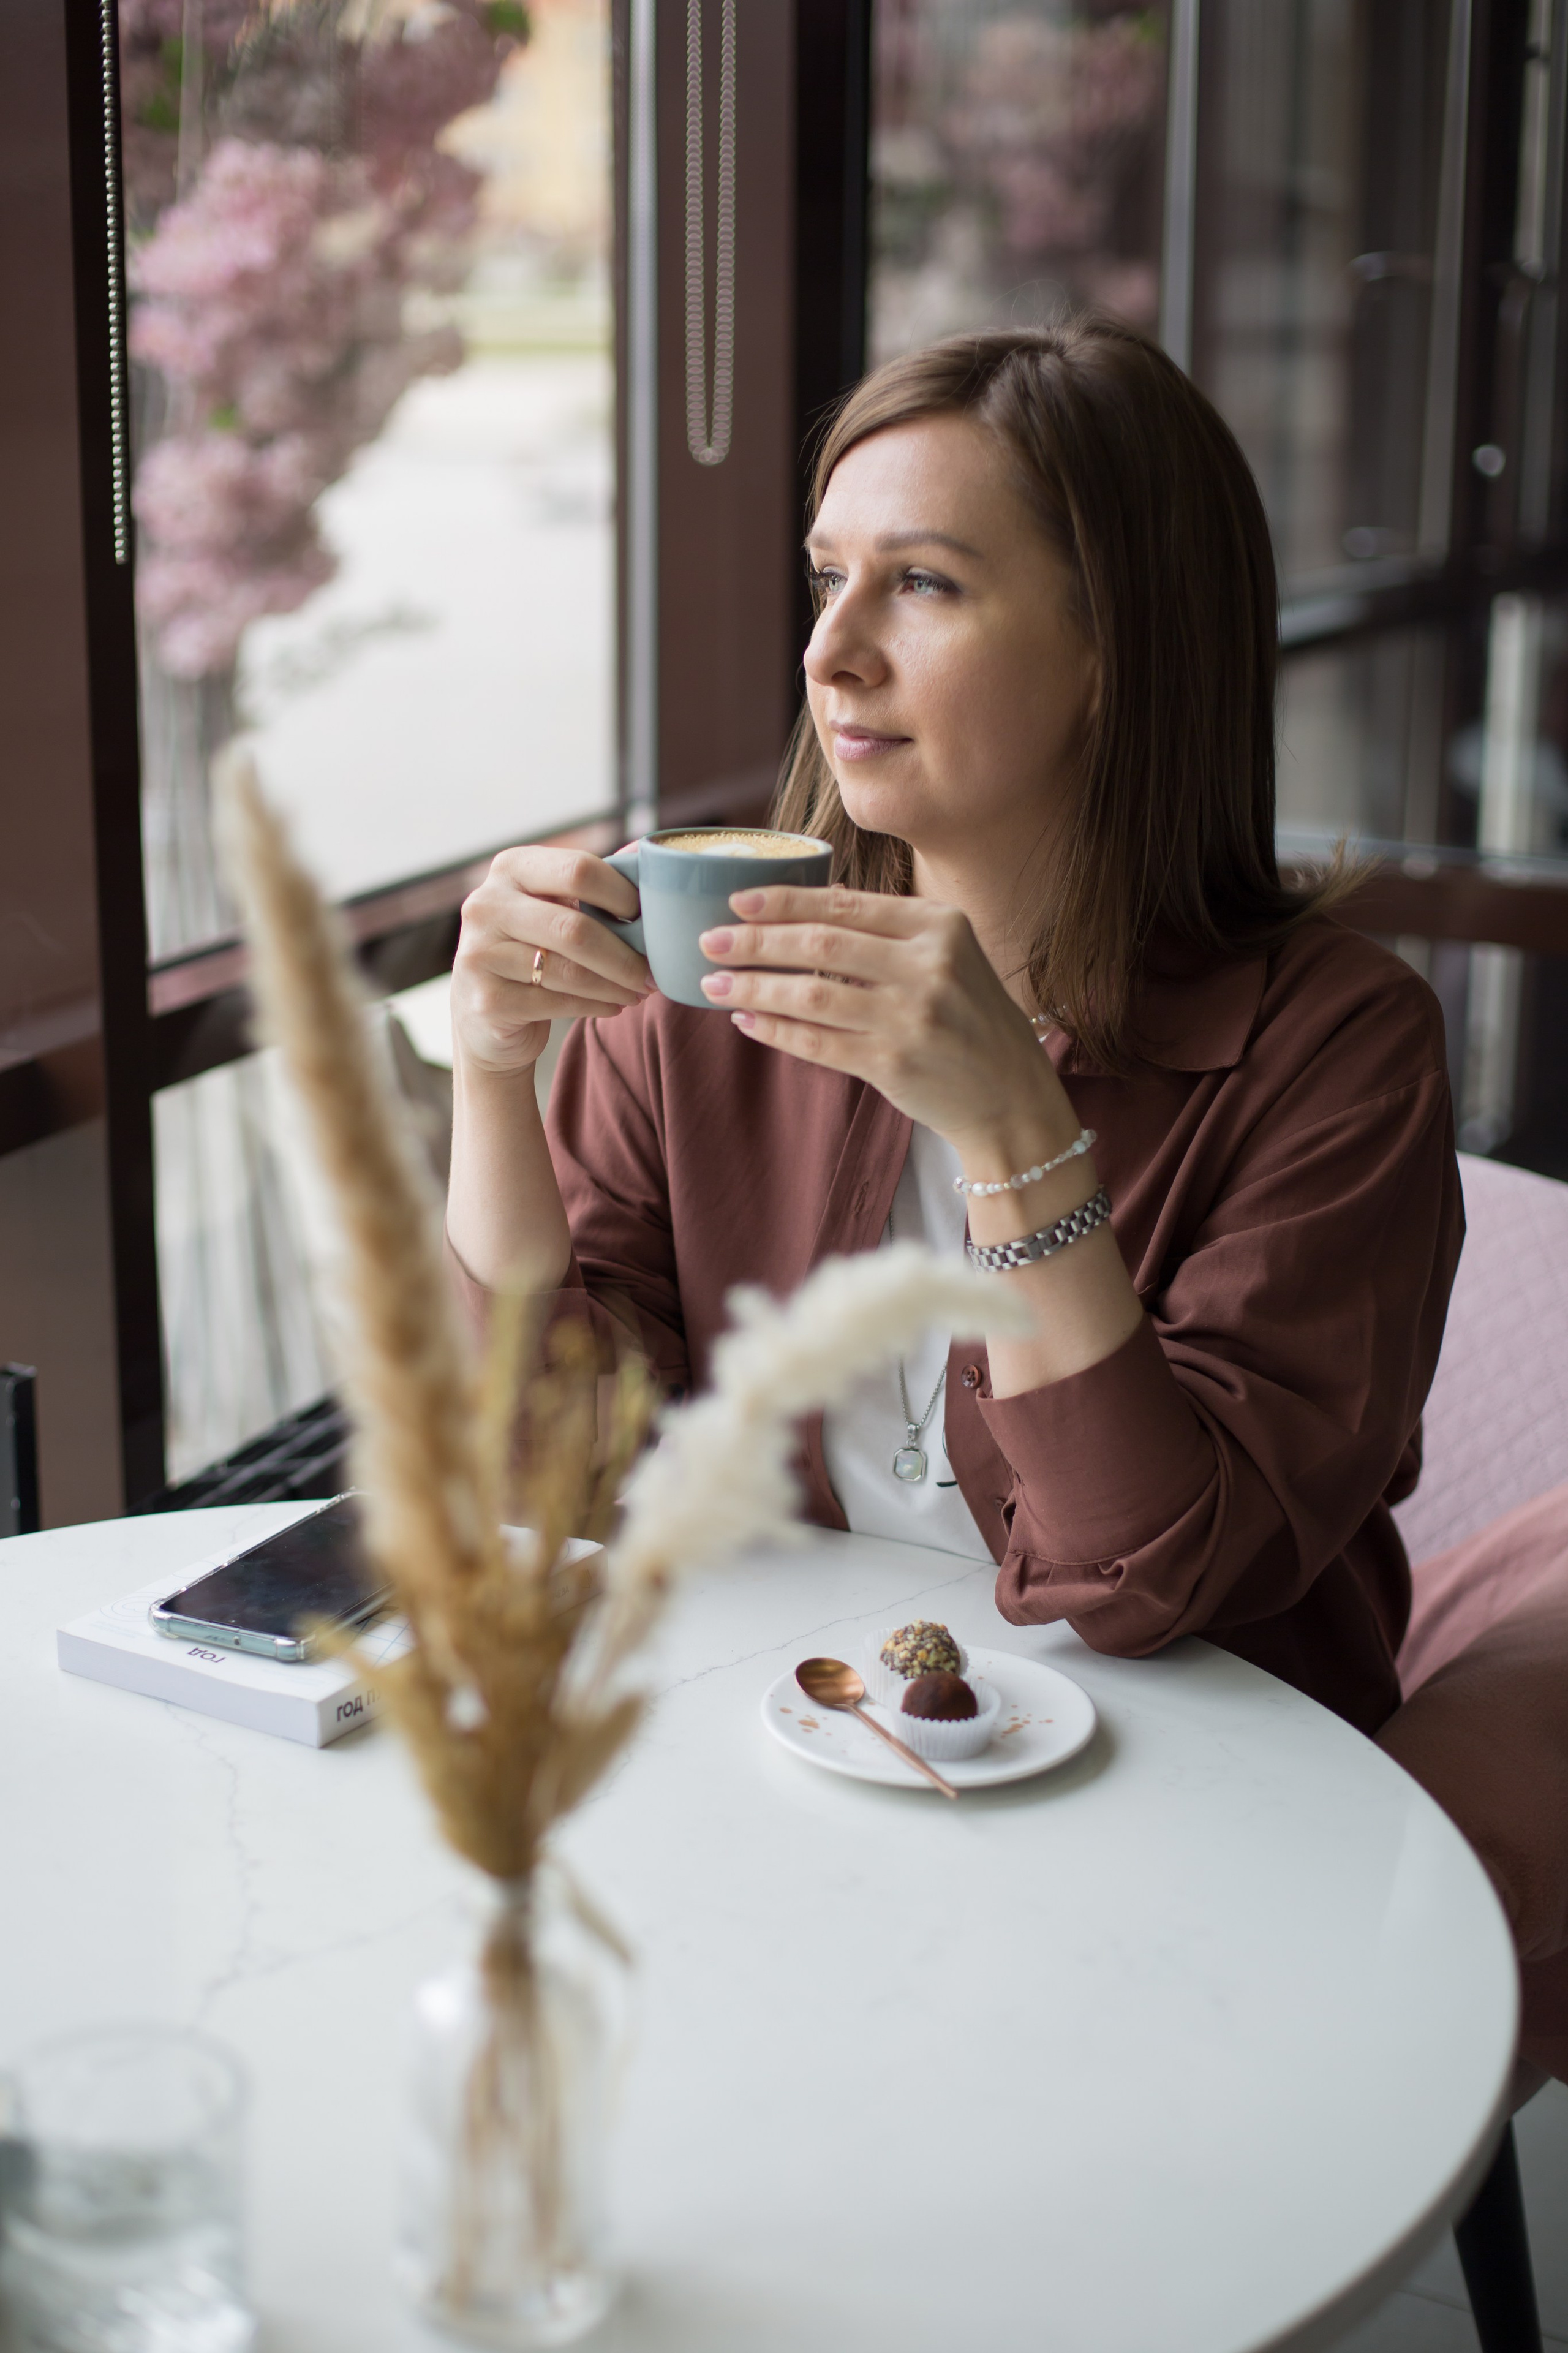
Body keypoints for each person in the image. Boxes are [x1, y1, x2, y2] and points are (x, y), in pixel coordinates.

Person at [445, 319, 1463, 1736]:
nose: (830, 653)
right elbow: (543, 1480)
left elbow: (1147, 1573)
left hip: (1211, 1794)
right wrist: (490, 1080)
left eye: (919, 582)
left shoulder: (1339, 1050)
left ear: (1117, 644)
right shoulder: (706, 986)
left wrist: (1011, 1128)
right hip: (794, 1738)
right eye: (825, 578)